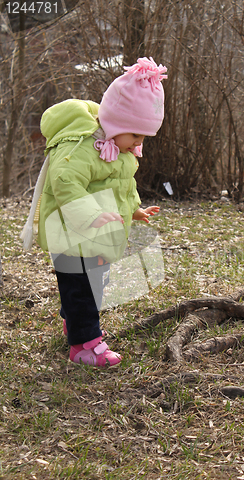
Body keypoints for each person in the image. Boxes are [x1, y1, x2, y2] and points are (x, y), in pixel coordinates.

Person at [20, 57, 167, 367]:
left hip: (97, 235)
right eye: (136, 136)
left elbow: (121, 186)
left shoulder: (121, 149)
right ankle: (84, 345)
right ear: (116, 122)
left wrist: (133, 209)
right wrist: (90, 215)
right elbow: (64, 182)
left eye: (143, 138)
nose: (138, 144)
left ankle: (75, 321)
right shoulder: (83, 147)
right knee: (82, 288)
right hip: (71, 232)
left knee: (95, 284)